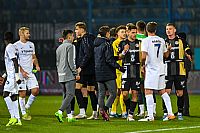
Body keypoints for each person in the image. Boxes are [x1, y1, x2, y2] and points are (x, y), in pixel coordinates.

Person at [138, 22, 175, 121]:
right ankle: (170, 113)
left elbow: (143, 56)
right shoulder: (161, 40)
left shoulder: (145, 41)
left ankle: (150, 116)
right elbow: (166, 55)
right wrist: (169, 50)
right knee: (162, 91)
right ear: (155, 30)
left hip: (152, 69)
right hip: (161, 69)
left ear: (146, 30)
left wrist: (142, 65)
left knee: (148, 91)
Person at [94, 26, 125, 121]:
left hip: (98, 72)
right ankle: (105, 109)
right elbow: (108, 60)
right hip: (107, 73)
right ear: (107, 33)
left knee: (101, 94)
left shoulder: (96, 45)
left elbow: (105, 58)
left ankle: (102, 112)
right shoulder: (107, 45)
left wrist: (116, 58)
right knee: (113, 93)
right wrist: (119, 67)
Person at [163, 23, 192, 120]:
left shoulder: (181, 41)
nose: (168, 31)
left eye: (170, 29)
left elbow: (187, 49)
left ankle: (180, 112)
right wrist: (167, 50)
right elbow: (162, 56)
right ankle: (166, 112)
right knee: (166, 92)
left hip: (180, 70)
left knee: (180, 93)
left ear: (174, 30)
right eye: (167, 29)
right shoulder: (164, 42)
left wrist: (188, 53)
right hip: (167, 70)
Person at [14, 27, 40, 120]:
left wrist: (37, 65)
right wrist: (22, 71)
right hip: (20, 73)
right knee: (22, 93)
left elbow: (34, 56)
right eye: (27, 33)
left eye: (29, 33)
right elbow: (15, 61)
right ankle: (24, 113)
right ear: (21, 34)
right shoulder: (16, 45)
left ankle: (27, 106)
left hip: (30, 72)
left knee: (35, 90)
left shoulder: (31, 44)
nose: (29, 34)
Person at [75, 22, 98, 119]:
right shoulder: (91, 38)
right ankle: (95, 113)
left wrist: (81, 67)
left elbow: (88, 54)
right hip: (92, 69)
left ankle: (82, 112)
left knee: (77, 89)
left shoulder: (85, 39)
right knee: (91, 90)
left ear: (82, 29)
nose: (75, 31)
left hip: (86, 69)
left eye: (76, 29)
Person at [118, 24, 141, 121]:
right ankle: (128, 109)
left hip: (136, 70)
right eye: (133, 32)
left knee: (135, 93)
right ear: (128, 33)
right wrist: (124, 51)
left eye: (135, 32)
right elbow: (119, 57)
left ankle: (131, 114)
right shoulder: (122, 43)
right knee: (125, 94)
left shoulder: (140, 43)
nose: (135, 34)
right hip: (126, 70)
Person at [55, 29, 77, 123]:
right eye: (72, 36)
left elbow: (57, 62)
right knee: (70, 94)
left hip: (61, 73)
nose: (73, 38)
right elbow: (70, 61)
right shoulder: (70, 46)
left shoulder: (59, 47)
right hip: (68, 73)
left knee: (66, 95)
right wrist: (75, 72)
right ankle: (60, 111)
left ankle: (69, 116)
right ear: (69, 37)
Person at [3, 31, 22, 126]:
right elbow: (11, 64)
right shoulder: (14, 47)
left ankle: (12, 117)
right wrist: (4, 76)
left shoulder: (9, 47)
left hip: (12, 76)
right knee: (14, 97)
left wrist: (17, 75)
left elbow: (15, 61)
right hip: (12, 74)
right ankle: (18, 120)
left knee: (5, 94)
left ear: (5, 39)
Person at [110, 25, 127, 118]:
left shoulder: (127, 42)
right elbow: (117, 56)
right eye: (122, 32)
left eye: (125, 31)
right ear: (117, 34)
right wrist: (124, 51)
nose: (124, 33)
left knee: (120, 91)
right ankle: (123, 112)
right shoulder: (116, 43)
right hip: (118, 70)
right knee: (119, 91)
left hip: (125, 69)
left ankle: (113, 111)